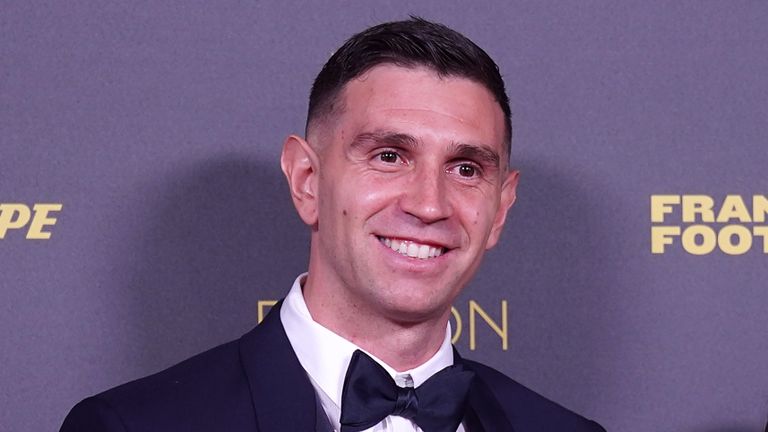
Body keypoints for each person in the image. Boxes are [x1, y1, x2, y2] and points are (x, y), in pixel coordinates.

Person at [61, 17, 605, 431]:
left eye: (466, 168)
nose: (430, 204)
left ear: (500, 210)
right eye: (390, 156)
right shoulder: (133, 426)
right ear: (306, 180)